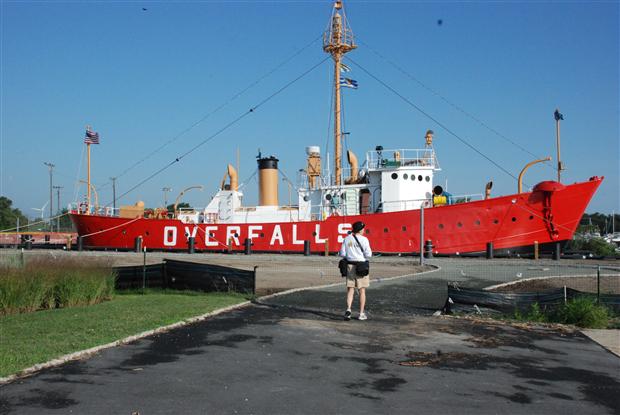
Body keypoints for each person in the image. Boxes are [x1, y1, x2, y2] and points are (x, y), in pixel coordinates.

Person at [338, 221, 372, 321]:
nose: (364, 230)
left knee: (350, 289)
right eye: (363, 228)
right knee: (362, 290)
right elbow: (368, 254)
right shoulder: (364, 239)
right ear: (360, 230)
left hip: (350, 266)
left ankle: (348, 310)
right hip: (361, 266)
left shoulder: (347, 239)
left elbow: (342, 253)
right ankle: (361, 314)